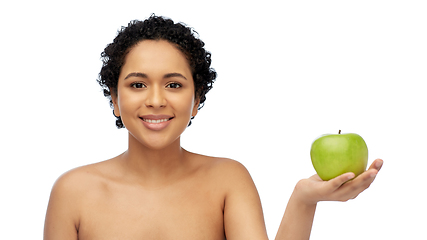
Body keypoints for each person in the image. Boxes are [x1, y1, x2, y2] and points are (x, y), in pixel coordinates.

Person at [44, 15, 383, 240]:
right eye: (137, 85)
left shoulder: (228, 180)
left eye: (174, 85)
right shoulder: (73, 192)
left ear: (196, 99)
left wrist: (304, 200)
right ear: (115, 100)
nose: (157, 100)